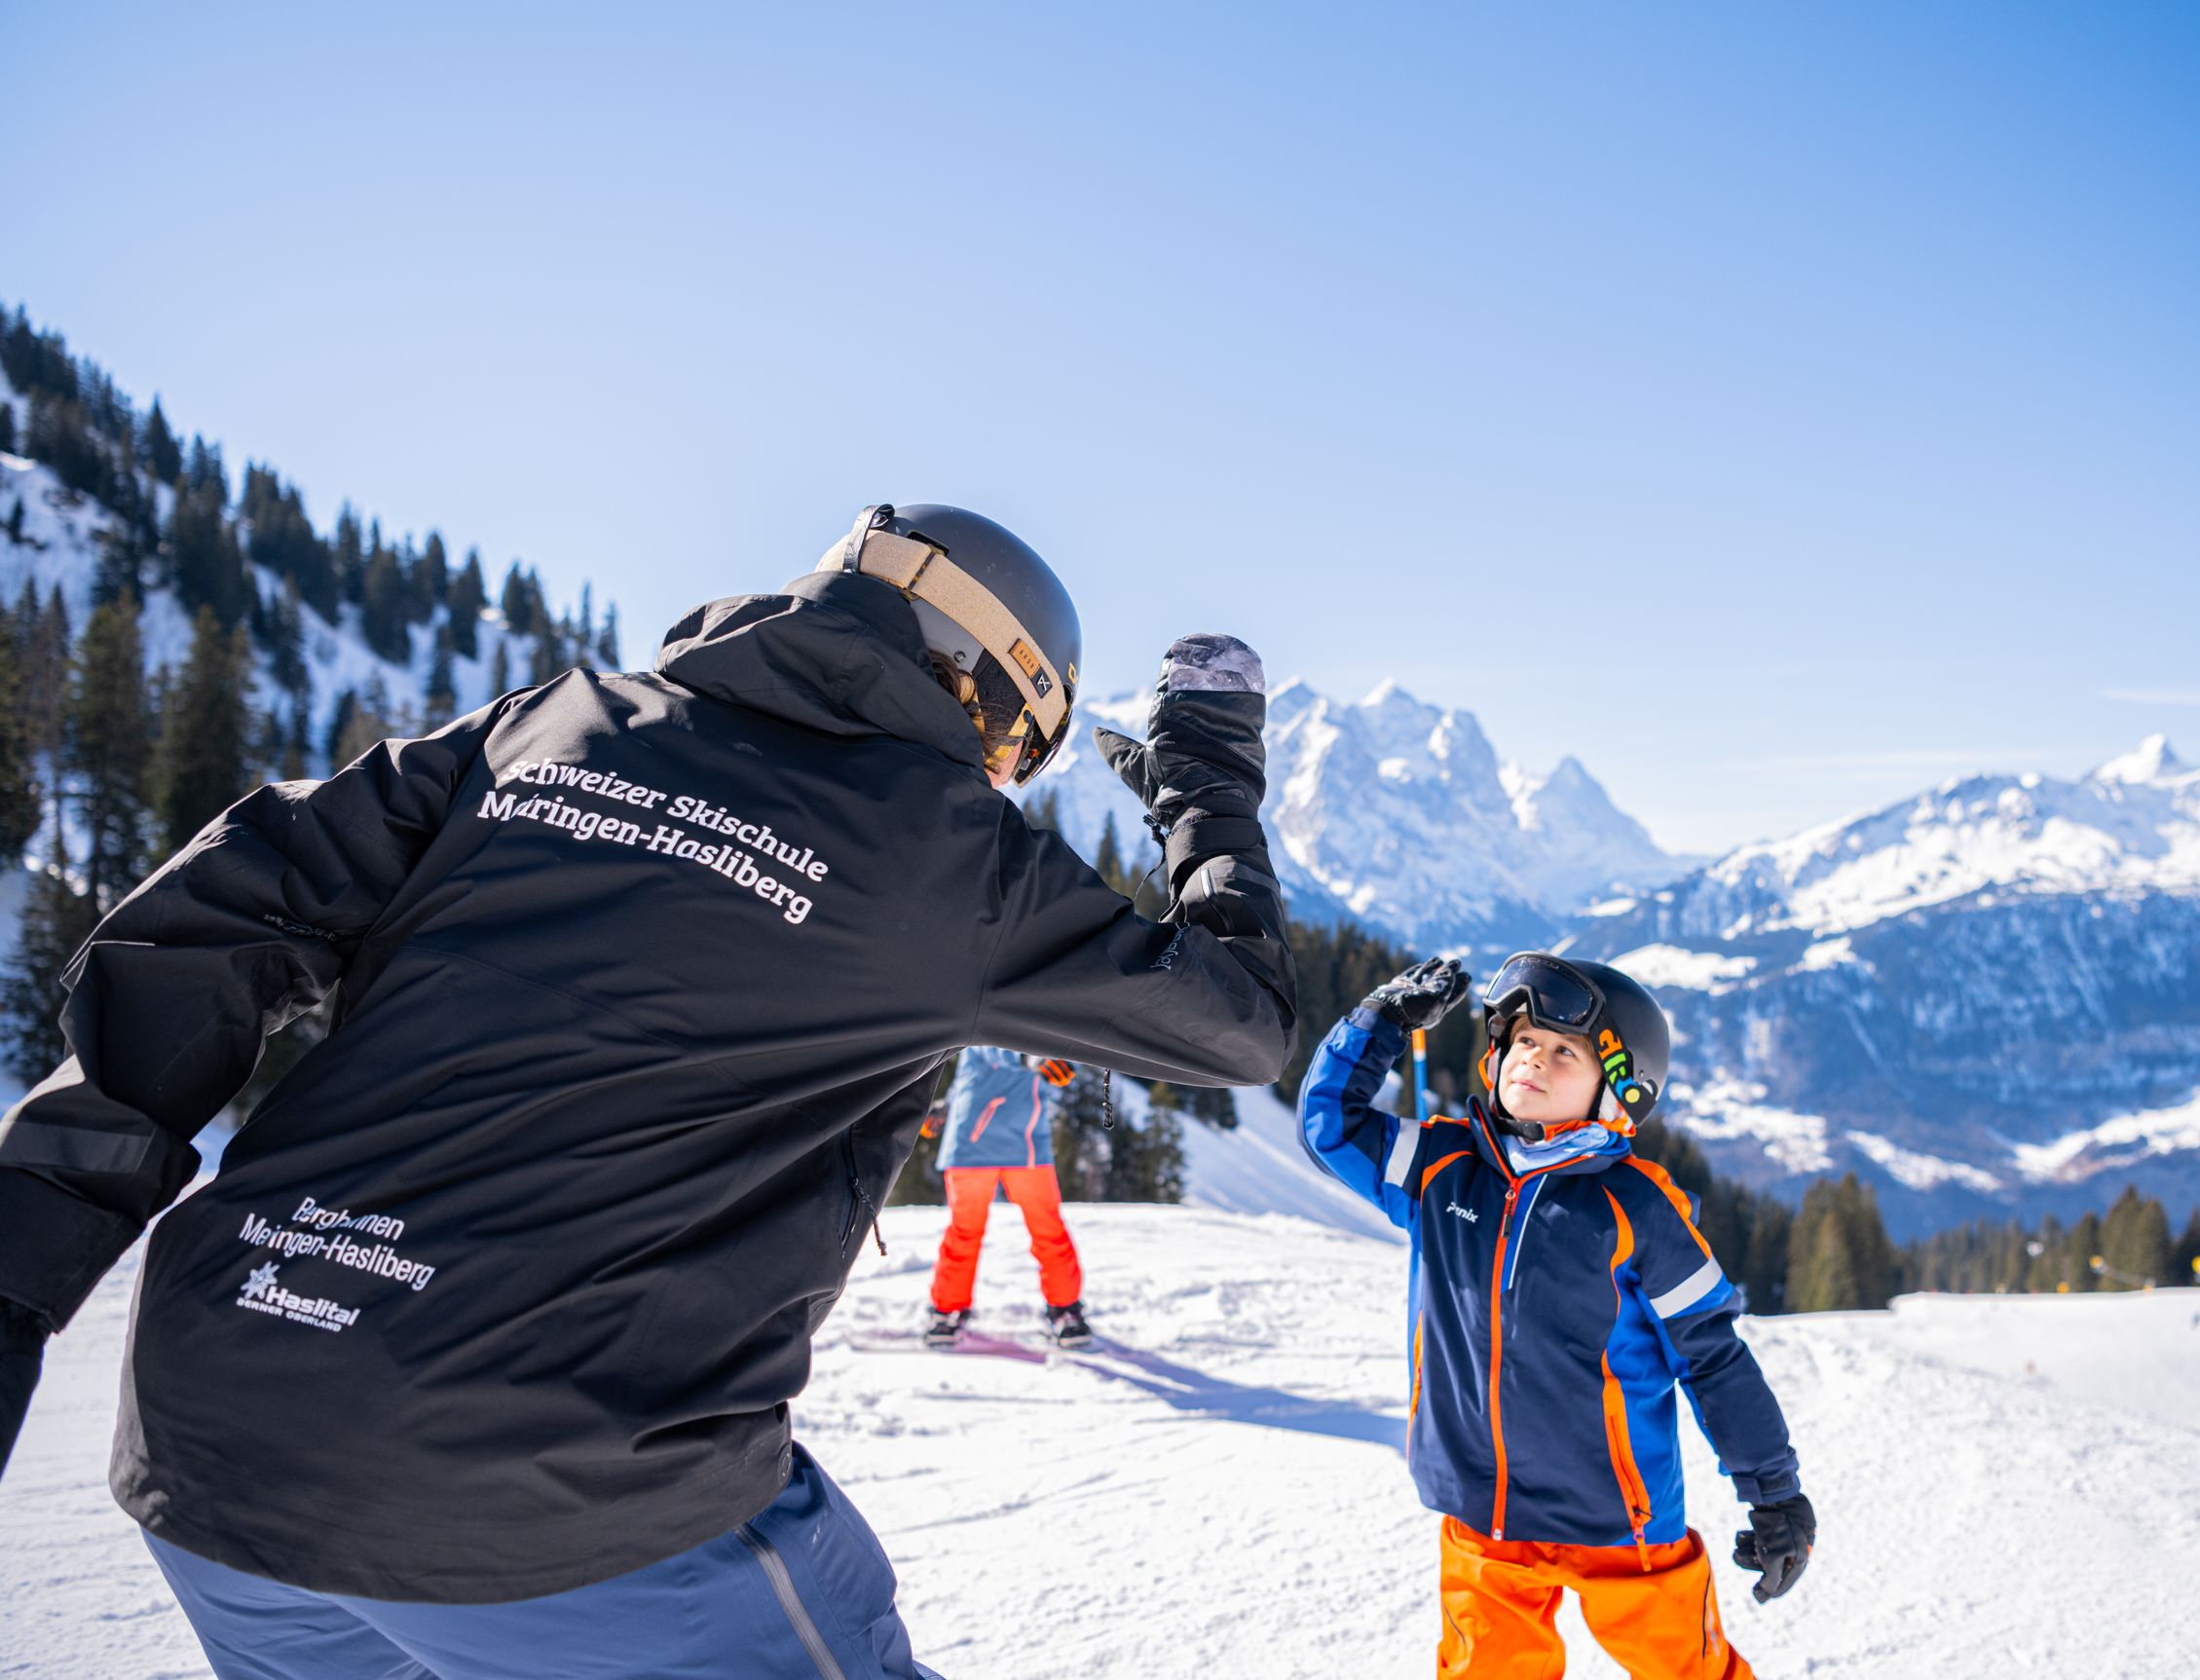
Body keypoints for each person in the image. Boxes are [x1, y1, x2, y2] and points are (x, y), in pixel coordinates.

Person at [0, 501, 1295, 1680]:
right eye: (1018, 748)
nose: (1002, 779)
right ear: (994, 698)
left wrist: (23, 1263)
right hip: (554, 1479)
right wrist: (1205, 774)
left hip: (216, 1414)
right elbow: (1240, 1025)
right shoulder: (959, 854)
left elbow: (207, 931)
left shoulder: (542, 724)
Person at [1297, 952, 1816, 1680]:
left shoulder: (1639, 1207)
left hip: (1615, 1517)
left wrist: (1774, 1491)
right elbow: (1329, 1124)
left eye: (1563, 1050)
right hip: (1486, 1514)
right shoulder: (1441, 1165)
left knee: (1686, 1669)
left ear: (1618, 1091)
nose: (1531, 1059)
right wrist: (1381, 1019)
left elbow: (1713, 1356)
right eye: (1522, 1041)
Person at [923, 1047, 1094, 1349]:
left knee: (1048, 1228)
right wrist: (1030, 1058)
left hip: (1027, 1143)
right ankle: (947, 1309)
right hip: (972, 1143)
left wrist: (948, 1104)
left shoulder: (1044, 1021)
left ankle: (1065, 1309)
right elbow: (986, 1045)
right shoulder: (990, 1007)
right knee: (965, 1230)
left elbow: (974, 1071)